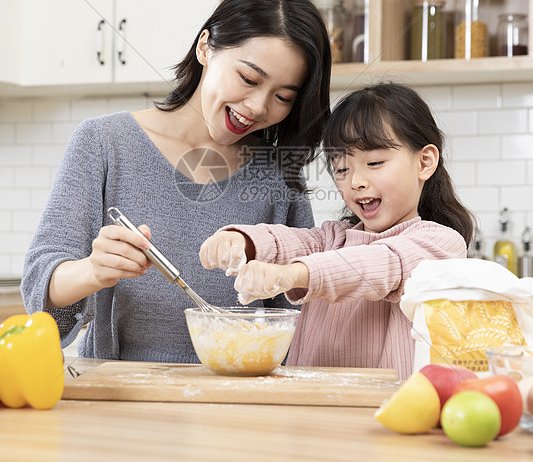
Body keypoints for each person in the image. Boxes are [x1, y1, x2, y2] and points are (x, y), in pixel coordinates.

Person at [22, 0, 332, 363]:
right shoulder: (103, 142)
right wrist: (93, 271)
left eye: (283, 97)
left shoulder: (278, 173)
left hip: (241, 401)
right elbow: (40, 292)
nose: (256, 106)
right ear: (206, 47)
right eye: (249, 79)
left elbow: (301, 313)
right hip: (121, 396)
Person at [199, 82, 474, 379]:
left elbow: (381, 264)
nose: (355, 181)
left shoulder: (441, 244)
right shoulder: (333, 239)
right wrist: (240, 241)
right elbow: (290, 240)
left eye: (374, 162)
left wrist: (291, 275)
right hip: (310, 410)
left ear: (424, 162)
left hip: (388, 412)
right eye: (341, 169)